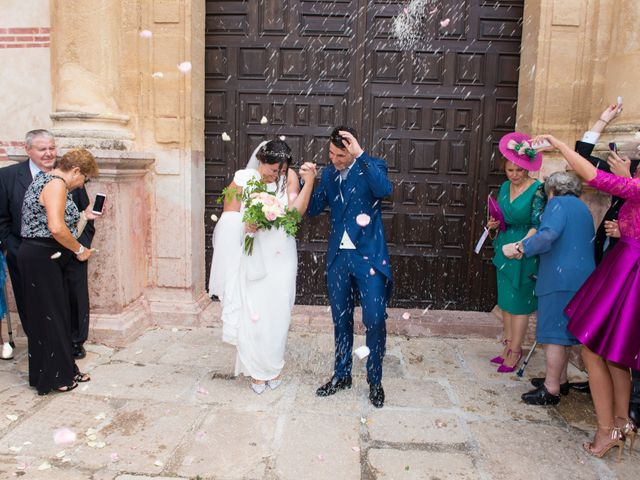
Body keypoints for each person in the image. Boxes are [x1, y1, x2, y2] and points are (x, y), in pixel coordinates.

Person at [534, 133, 639, 460]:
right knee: (615, 353)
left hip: (630, 267)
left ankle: (607, 429)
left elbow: (593, 176)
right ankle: (622, 425)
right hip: (626, 262)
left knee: (594, 349)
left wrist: (558, 143)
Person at [208, 139, 316, 394]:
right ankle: (257, 371)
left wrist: (308, 183)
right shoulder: (242, 180)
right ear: (261, 160)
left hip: (281, 254)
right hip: (253, 253)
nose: (276, 174)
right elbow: (228, 218)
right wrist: (246, 225)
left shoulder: (288, 177)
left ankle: (274, 366)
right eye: (272, 169)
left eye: (280, 169)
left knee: (279, 310)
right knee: (254, 310)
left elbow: (294, 214)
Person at [308, 127, 393, 408]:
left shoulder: (373, 165)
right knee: (341, 319)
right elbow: (314, 208)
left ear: (353, 149)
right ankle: (342, 374)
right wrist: (307, 181)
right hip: (338, 260)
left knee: (375, 318)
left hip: (368, 256)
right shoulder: (330, 174)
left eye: (341, 155)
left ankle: (375, 380)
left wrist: (360, 156)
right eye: (331, 154)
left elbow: (384, 190)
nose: (335, 160)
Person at [0, 130, 95, 359]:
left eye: (52, 148)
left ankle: (73, 343)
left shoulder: (71, 174)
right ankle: (42, 348)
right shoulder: (8, 176)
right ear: (28, 150)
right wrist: (18, 251)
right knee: (35, 303)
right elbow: (3, 220)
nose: (49, 153)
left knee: (73, 299)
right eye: (42, 149)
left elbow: (82, 212)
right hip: (32, 256)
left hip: (70, 252)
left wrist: (79, 248)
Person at [502, 172, 595, 405]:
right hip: (580, 277)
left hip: (559, 277)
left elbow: (548, 235)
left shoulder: (557, 205)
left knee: (553, 334)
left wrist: (520, 247)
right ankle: (560, 380)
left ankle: (551, 389)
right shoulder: (582, 207)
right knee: (563, 331)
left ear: (551, 190)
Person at [18, 148, 99, 395]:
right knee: (50, 317)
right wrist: (79, 249)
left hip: (46, 256)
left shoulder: (48, 180)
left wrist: (84, 217)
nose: (80, 184)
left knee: (58, 315)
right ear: (75, 171)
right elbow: (55, 226)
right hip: (41, 257)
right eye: (82, 179)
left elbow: (61, 223)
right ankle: (55, 377)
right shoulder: (55, 184)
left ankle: (65, 369)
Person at [487, 133, 545, 373]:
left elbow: (538, 224)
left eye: (519, 171)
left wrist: (522, 245)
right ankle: (507, 345)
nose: (514, 175)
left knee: (520, 301)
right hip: (504, 244)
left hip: (524, 248)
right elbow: (502, 215)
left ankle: (517, 350)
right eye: (510, 170)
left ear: (527, 169)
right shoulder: (503, 186)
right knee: (507, 301)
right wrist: (494, 224)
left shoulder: (538, 190)